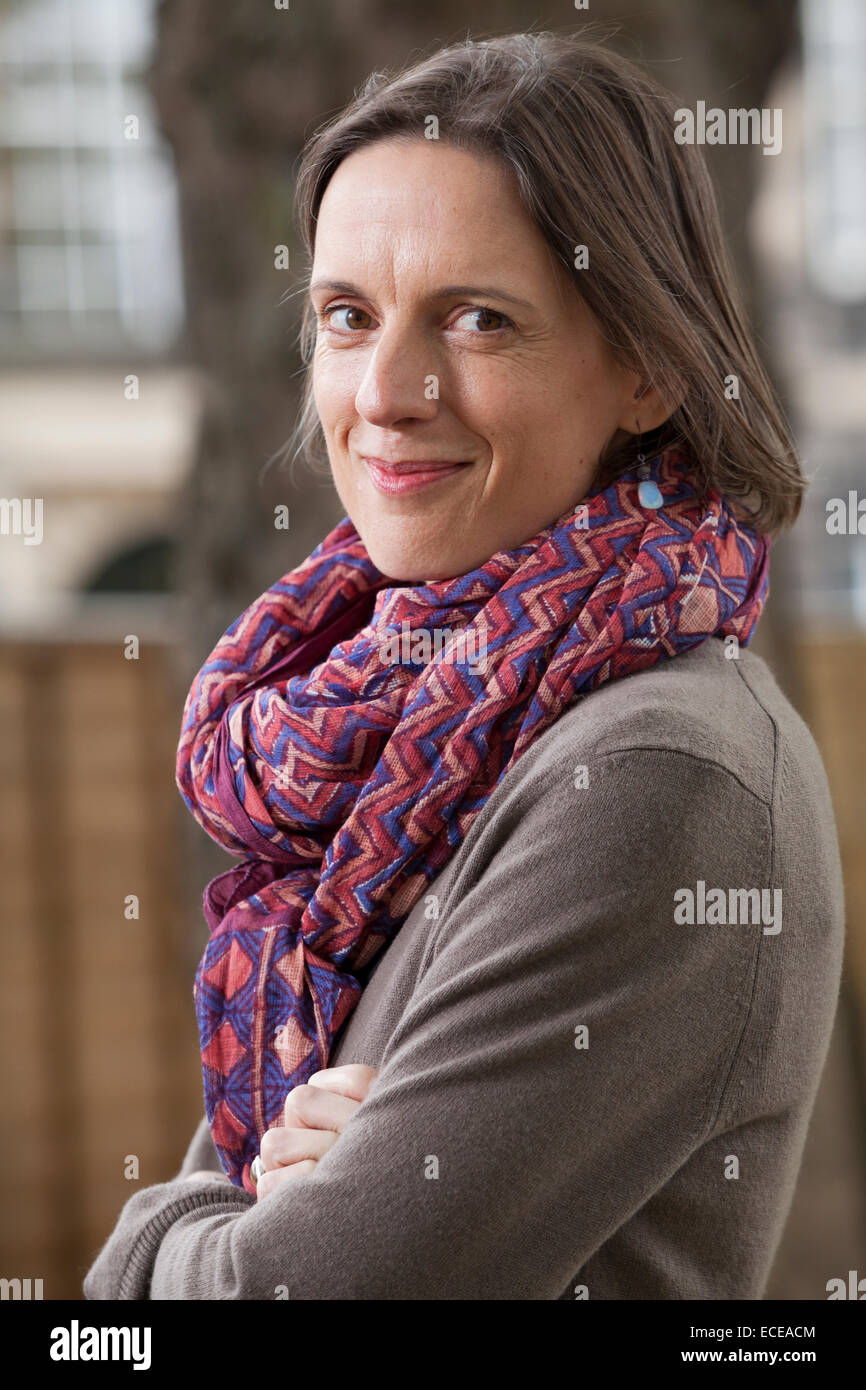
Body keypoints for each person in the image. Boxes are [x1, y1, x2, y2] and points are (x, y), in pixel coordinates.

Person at [83, 31, 844, 1300]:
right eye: (346, 317)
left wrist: (165, 1237)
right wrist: (264, 1205)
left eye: (477, 319)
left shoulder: (653, 771)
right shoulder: (405, 741)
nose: (385, 390)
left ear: (647, 366)